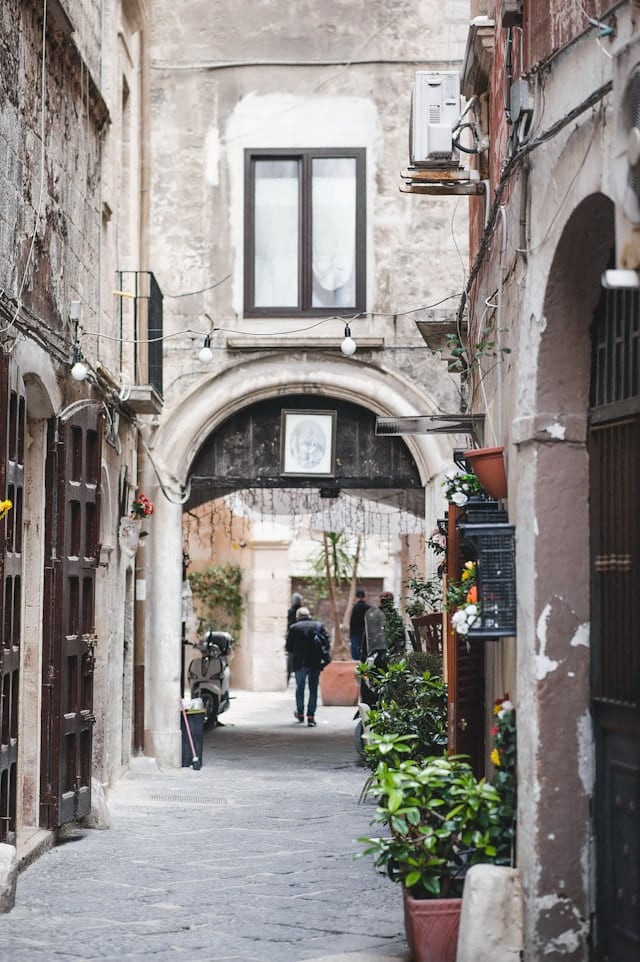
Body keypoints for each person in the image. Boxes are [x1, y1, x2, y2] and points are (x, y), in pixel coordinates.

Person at [285, 606, 330, 727]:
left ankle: (300, 713)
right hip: (314, 662)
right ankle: (311, 715)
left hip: (300, 663)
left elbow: (289, 647)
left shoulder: (294, 628)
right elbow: (326, 643)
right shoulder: (318, 626)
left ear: (298, 616)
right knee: (313, 688)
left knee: (300, 688)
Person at [285, 592, 303, 683]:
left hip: (293, 638)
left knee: (291, 661)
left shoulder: (291, 611)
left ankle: (288, 679)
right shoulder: (302, 610)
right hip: (301, 640)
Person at [349, 588, 371, 661]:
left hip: (355, 633)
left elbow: (352, 622)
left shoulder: (354, 608)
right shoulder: (369, 608)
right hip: (366, 633)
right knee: (366, 650)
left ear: (356, 597)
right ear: (364, 597)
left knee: (355, 651)